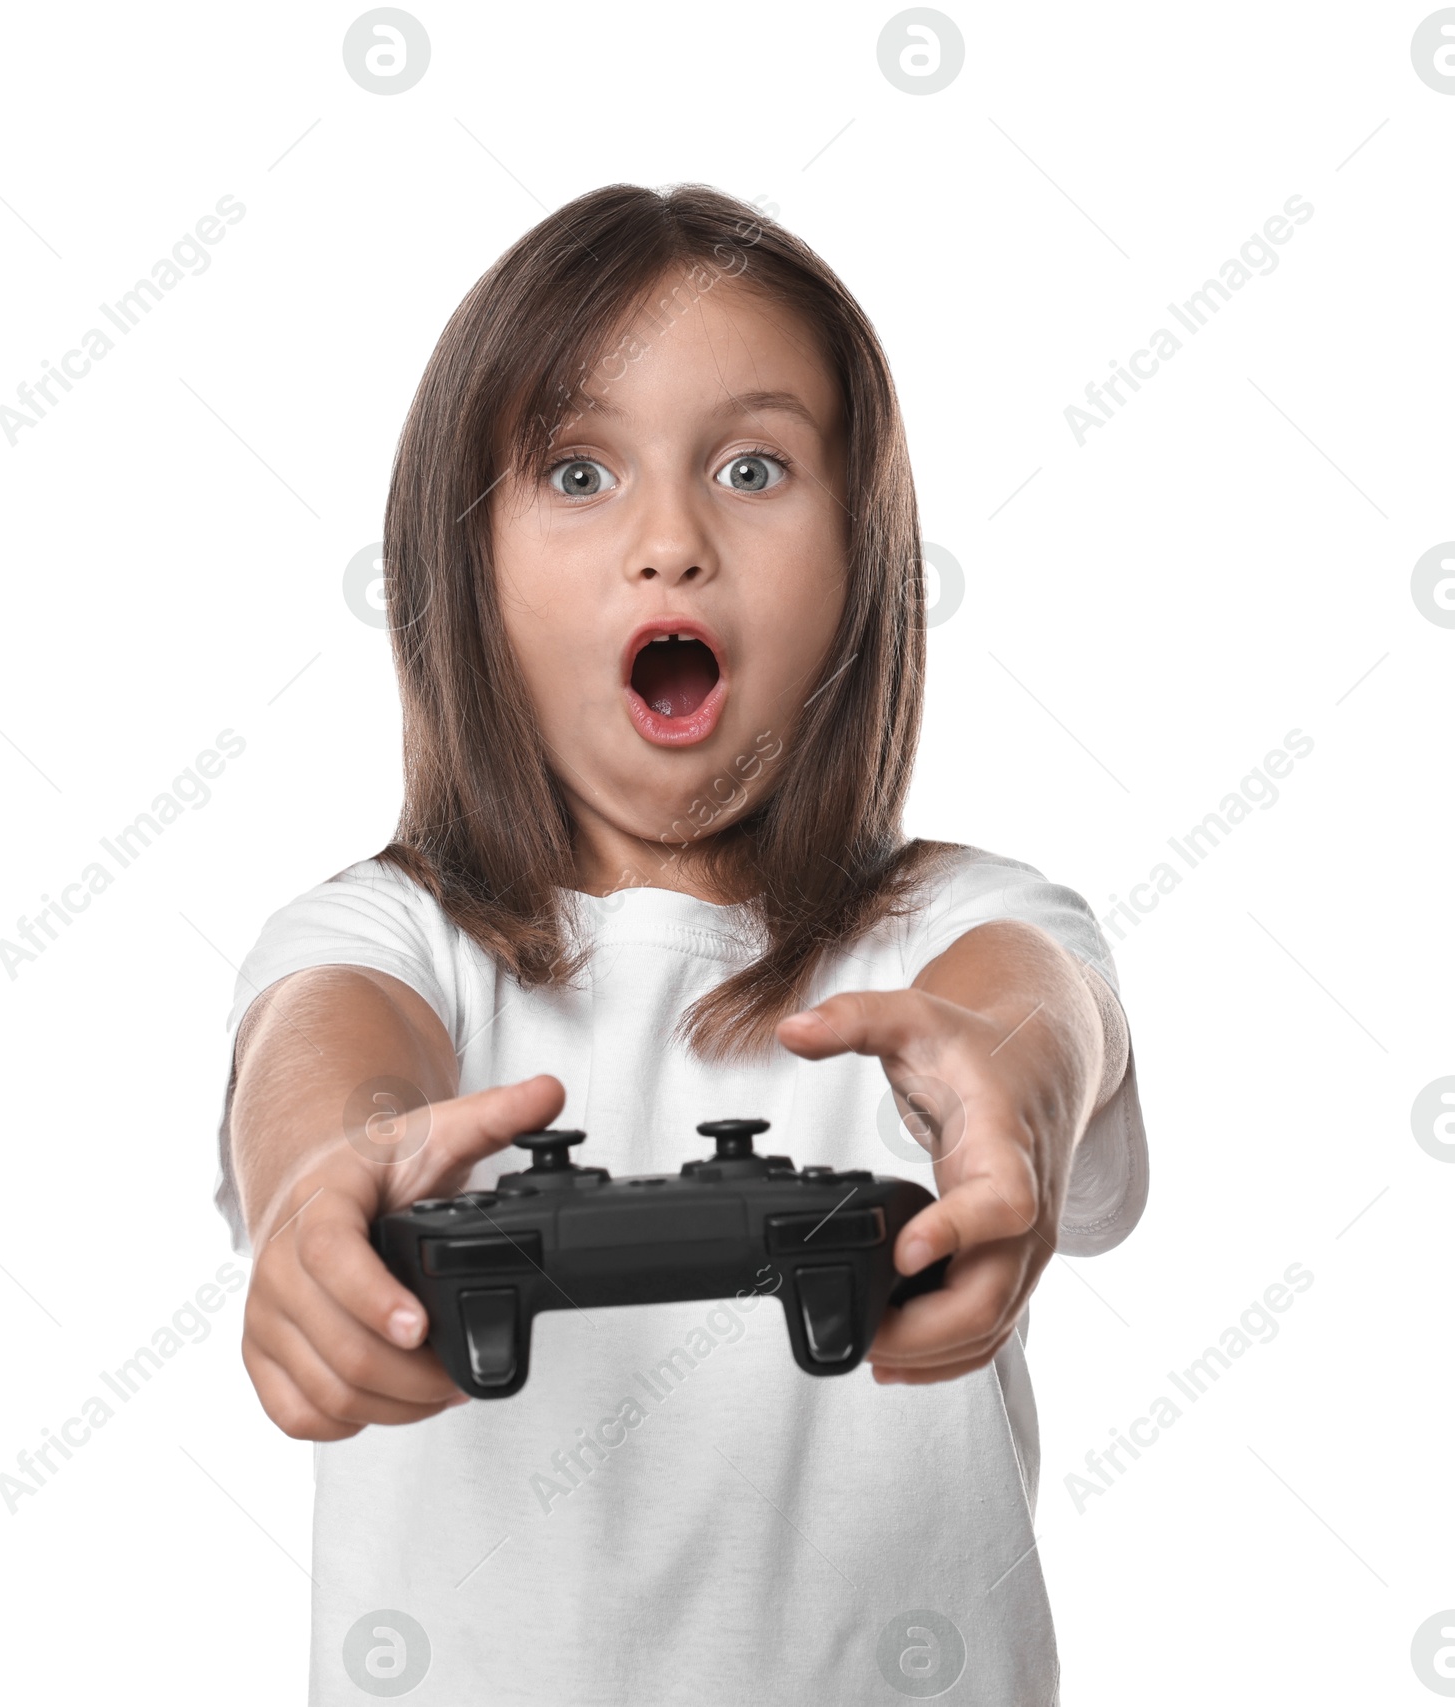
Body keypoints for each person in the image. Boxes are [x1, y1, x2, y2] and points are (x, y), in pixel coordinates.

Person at [215, 182, 1147, 1705]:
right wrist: (326, 1188)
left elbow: (1035, 1011)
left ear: (864, 562)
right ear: (466, 568)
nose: (671, 543)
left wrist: (1012, 1089)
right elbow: (325, 1053)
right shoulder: (389, 934)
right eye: (578, 472)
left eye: (755, 467)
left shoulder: (962, 924)